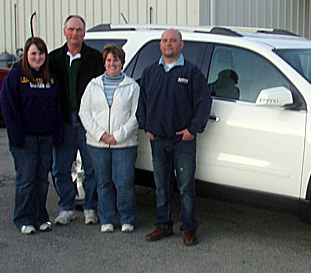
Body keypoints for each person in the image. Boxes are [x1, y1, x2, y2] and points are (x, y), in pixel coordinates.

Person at [136, 29, 211, 245]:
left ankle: (188, 228)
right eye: (165, 41)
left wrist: (192, 129)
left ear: (181, 44)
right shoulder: (150, 72)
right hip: (158, 139)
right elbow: (142, 103)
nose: (169, 44)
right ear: (160, 45)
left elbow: (203, 103)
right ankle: (163, 225)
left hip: (183, 141)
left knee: (186, 186)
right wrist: (146, 126)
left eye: (173, 41)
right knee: (161, 186)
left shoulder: (192, 72)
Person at [1, 37, 63, 234]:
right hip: (25, 139)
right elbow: (9, 109)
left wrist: (57, 132)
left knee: (42, 180)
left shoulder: (50, 79)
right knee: (26, 180)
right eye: (33, 53)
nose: (38, 57)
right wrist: (16, 135)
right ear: (26, 55)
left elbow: (57, 108)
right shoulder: (16, 77)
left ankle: (40, 217)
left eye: (41, 53)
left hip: (45, 138)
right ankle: (23, 218)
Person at [49, 15, 104, 225]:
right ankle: (66, 207)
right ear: (64, 31)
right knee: (60, 168)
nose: (75, 33)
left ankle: (90, 207)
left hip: (87, 121)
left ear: (84, 32)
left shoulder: (95, 58)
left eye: (79, 30)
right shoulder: (53, 59)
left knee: (91, 168)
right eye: (71, 29)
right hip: (63, 120)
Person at [79, 44, 140, 233]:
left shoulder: (132, 86)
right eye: (109, 60)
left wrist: (119, 135)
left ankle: (127, 219)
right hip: (98, 144)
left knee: (124, 183)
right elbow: (84, 112)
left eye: (116, 60)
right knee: (103, 182)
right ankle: (106, 218)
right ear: (104, 63)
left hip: (124, 144)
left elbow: (137, 115)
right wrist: (101, 135)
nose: (112, 63)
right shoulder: (93, 85)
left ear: (122, 63)